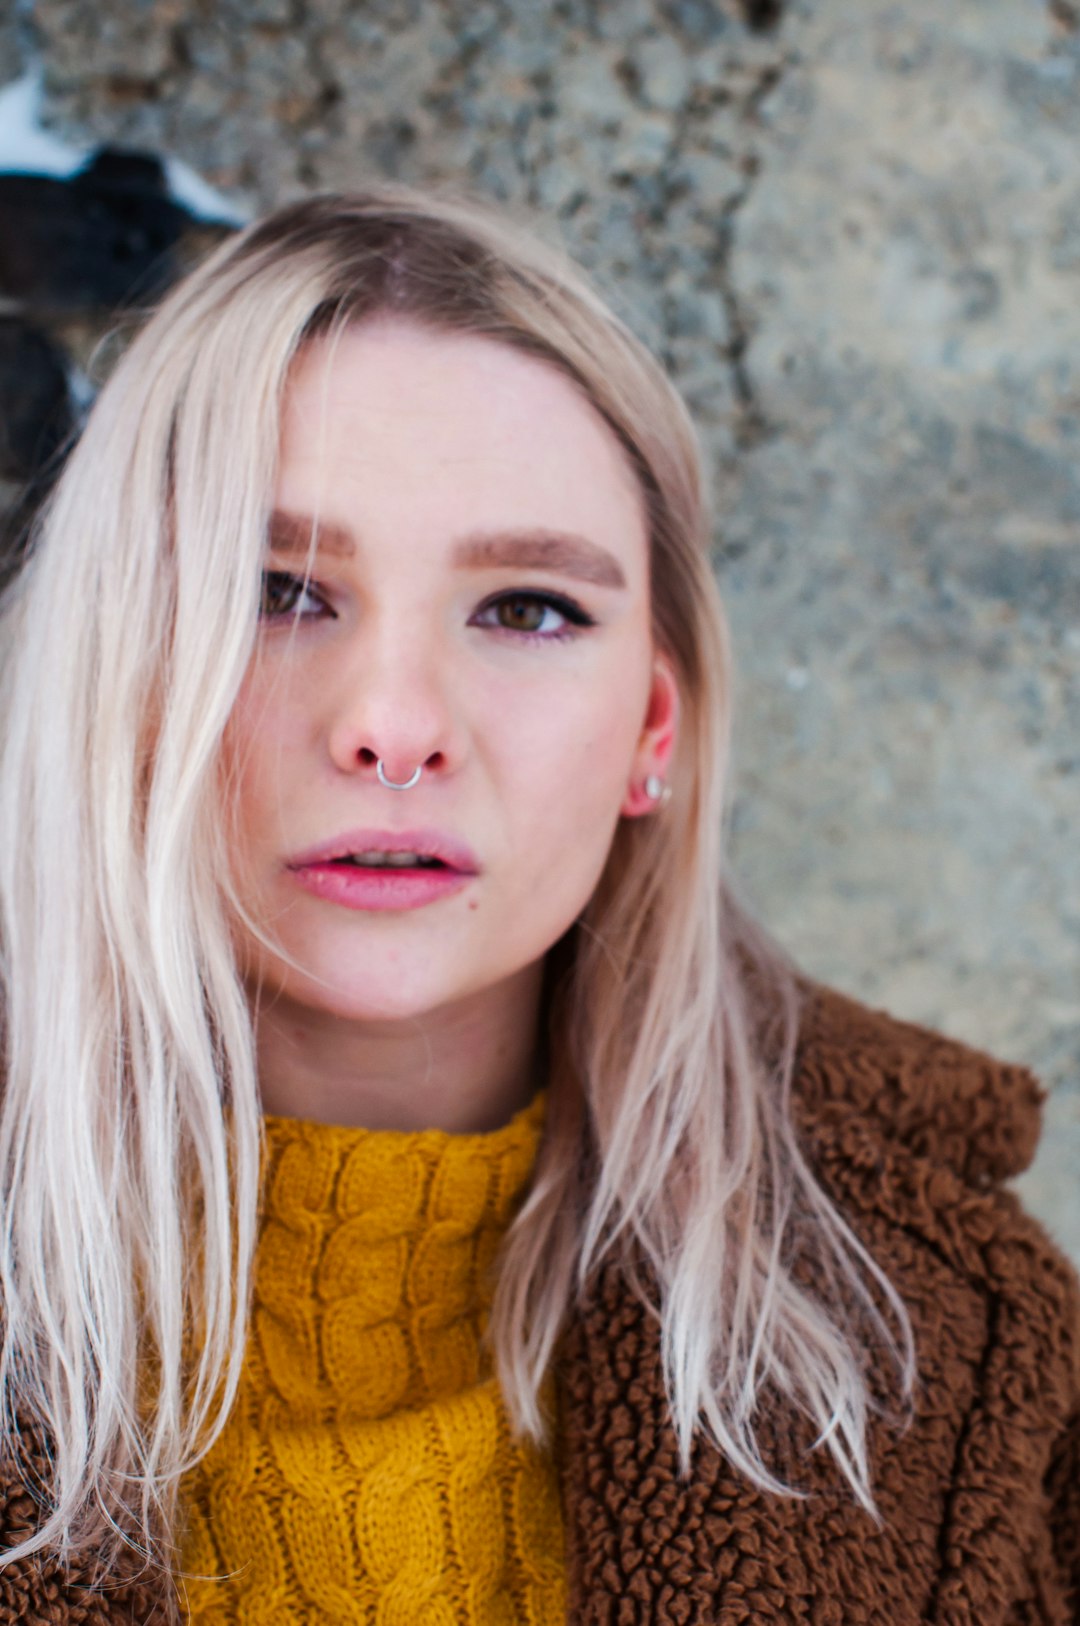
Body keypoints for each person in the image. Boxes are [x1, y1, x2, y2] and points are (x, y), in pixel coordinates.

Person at [0, 188, 1074, 1626]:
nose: (393, 726)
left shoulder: (956, 1352)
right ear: (110, 668)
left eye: (528, 608)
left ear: (655, 727)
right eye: (276, 591)